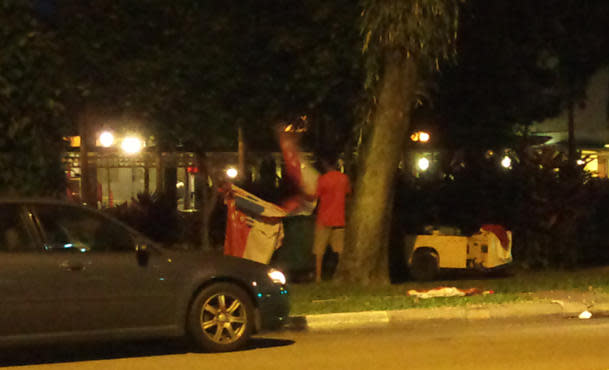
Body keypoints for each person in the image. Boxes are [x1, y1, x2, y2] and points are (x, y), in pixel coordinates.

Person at [312, 154, 351, 282]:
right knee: (340, 250)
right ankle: (341, 275)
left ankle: (318, 276)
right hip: (339, 218)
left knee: (319, 251)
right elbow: (348, 194)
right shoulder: (344, 179)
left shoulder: (322, 179)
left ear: (325, 164)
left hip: (324, 218)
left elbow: (316, 196)